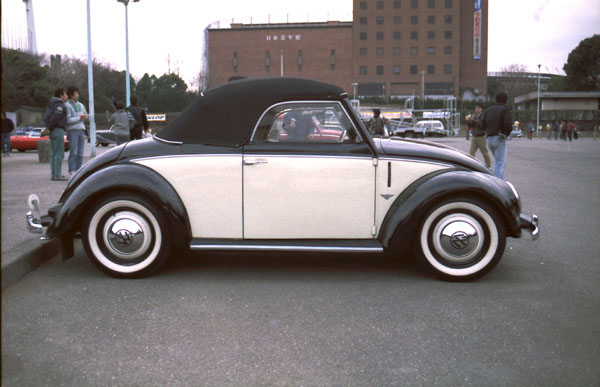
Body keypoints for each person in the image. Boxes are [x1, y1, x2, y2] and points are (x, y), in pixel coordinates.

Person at [481, 92, 512, 179]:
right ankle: (497, 184)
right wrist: (506, 133)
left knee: (499, 162)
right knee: (499, 163)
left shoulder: (488, 110)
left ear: (496, 99)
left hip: (489, 138)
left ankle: (500, 181)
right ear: (506, 100)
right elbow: (508, 125)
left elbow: (482, 124)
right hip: (499, 137)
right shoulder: (505, 110)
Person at [44, 88, 69, 181]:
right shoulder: (60, 106)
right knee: (59, 153)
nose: (67, 96)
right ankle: (57, 174)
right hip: (58, 129)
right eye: (65, 94)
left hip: (51, 130)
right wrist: (51, 127)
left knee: (53, 153)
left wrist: (48, 128)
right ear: (61, 96)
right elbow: (56, 117)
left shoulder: (51, 104)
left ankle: (53, 174)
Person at [65, 86, 89, 174]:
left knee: (81, 152)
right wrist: (79, 118)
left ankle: (78, 170)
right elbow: (67, 120)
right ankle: (72, 170)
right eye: (76, 93)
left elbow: (85, 114)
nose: (78, 95)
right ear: (71, 95)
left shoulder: (81, 105)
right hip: (72, 130)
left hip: (81, 130)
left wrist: (86, 116)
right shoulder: (67, 105)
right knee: (73, 151)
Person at [466, 102, 491, 169]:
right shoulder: (473, 115)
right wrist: (470, 121)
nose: (477, 109)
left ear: (482, 109)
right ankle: (470, 166)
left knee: (484, 153)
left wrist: (476, 121)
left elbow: (483, 126)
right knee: (471, 153)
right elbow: (469, 125)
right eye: (476, 107)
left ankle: (489, 166)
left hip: (481, 137)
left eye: (478, 108)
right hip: (474, 136)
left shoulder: (484, 116)